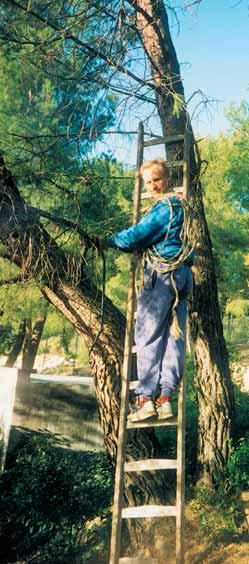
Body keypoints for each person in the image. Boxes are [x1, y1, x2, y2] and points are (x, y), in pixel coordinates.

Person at [105, 159, 194, 422]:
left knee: (148, 336)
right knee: (173, 337)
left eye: (156, 179)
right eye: (149, 182)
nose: (153, 186)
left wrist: (110, 240)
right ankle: (165, 399)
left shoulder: (165, 207)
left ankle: (145, 399)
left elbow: (137, 236)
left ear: (167, 179)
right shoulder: (181, 206)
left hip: (162, 275)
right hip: (181, 276)